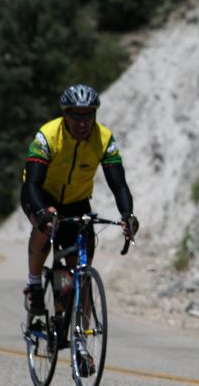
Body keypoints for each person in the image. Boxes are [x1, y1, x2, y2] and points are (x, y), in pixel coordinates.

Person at [20, 84, 138, 370]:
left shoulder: (104, 138)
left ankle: (81, 345)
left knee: (79, 277)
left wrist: (127, 214)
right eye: (76, 116)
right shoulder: (47, 136)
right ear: (65, 115)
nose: (83, 122)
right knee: (45, 228)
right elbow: (32, 183)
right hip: (40, 195)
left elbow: (118, 183)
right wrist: (42, 212)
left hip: (77, 203)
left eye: (89, 115)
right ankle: (35, 284)